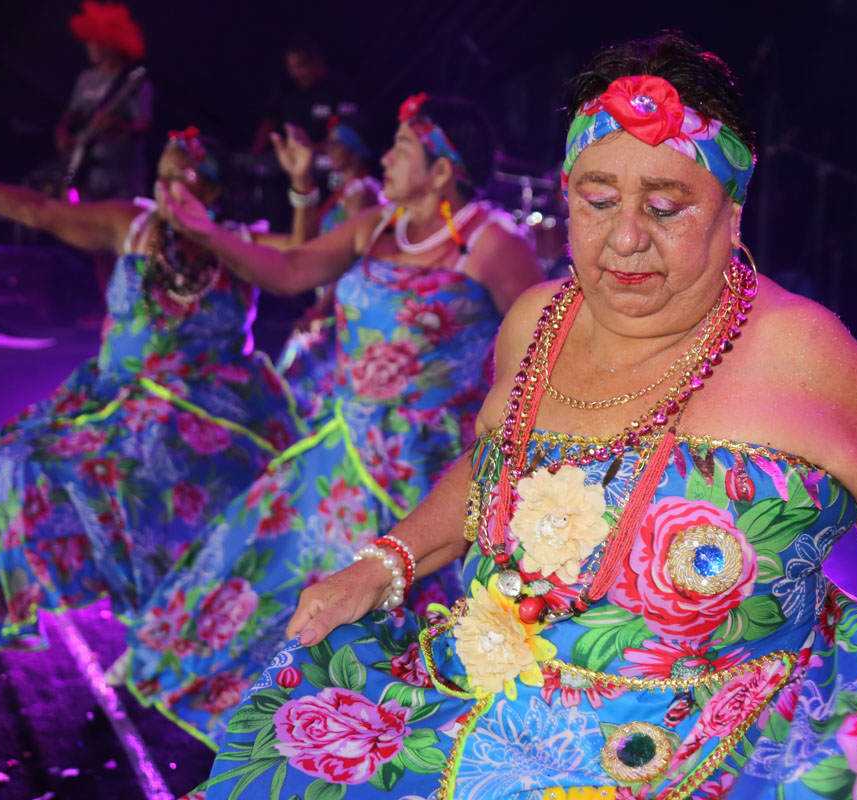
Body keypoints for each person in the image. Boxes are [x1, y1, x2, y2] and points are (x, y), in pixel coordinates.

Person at [192, 34, 857, 800]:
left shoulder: (803, 351)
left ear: (731, 211)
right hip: (488, 716)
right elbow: (493, 469)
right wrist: (389, 559)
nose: (625, 238)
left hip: (735, 749)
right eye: (598, 200)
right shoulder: (535, 320)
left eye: (666, 206)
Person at [120, 94, 543, 745]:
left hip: (424, 465)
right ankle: (259, 711)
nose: (385, 157)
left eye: (402, 147)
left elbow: (540, 351)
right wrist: (205, 230)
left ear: (441, 170)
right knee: (266, 568)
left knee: (384, 600)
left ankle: (348, 730)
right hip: (341, 445)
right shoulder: (377, 224)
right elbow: (291, 270)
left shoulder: (493, 246)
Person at [0, 128, 301, 651]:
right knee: (12, 459)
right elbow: (40, 211)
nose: (166, 187)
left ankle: (171, 617)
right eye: (162, 175)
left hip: (211, 407)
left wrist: (303, 188)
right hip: (115, 398)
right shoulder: (132, 226)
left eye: (183, 176)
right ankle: (14, 597)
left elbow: (302, 260)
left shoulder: (240, 244)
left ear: (212, 190)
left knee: (148, 462)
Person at [273, 115, 384, 412]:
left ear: (356, 151)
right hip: (332, 303)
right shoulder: (346, 191)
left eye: (337, 143)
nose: (328, 149)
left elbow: (357, 259)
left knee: (299, 384)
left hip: (342, 306)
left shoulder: (362, 192)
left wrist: (319, 310)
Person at [55, 1, 155, 324]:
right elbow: (70, 117)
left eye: (95, 42)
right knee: (97, 243)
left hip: (123, 174)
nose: (90, 48)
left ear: (112, 44)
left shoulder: (134, 82)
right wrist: (63, 133)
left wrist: (118, 127)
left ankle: (136, 305)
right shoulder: (85, 79)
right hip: (90, 172)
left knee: (127, 240)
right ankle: (107, 305)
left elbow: (144, 125)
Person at [250, 36, 360, 156]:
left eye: (300, 66)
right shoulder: (285, 88)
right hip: (291, 157)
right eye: (290, 67)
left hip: (329, 158)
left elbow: (347, 133)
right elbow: (269, 123)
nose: (294, 73)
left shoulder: (340, 89)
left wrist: (310, 150)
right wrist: (255, 155)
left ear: (318, 62)